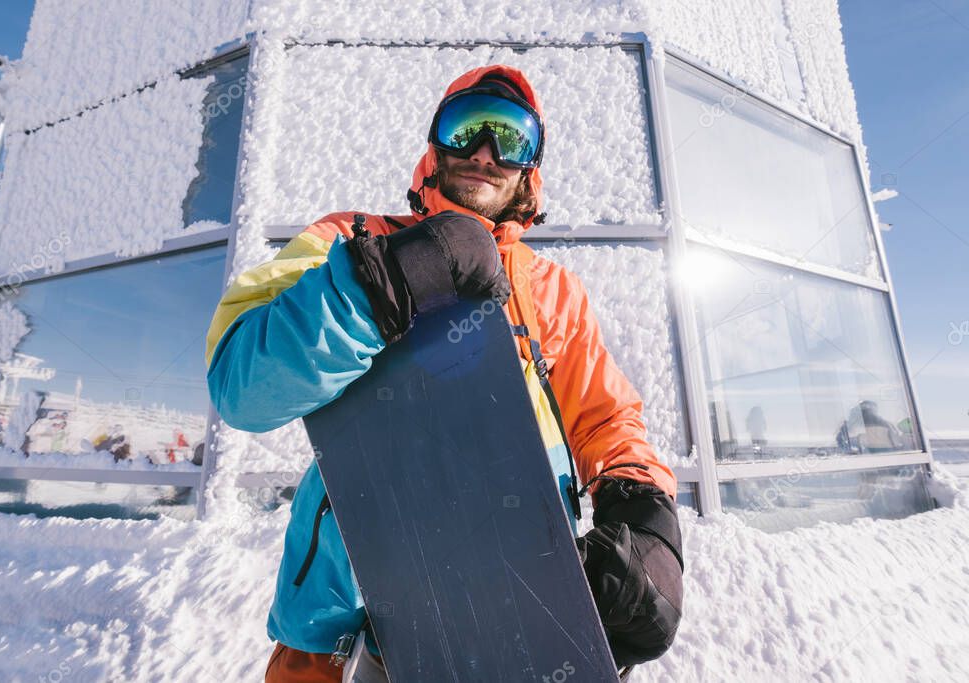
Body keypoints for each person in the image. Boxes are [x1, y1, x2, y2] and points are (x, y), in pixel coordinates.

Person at [205, 65, 684, 682]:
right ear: (434, 145)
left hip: (522, 602)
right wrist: (381, 284)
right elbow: (242, 385)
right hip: (353, 615)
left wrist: (648, 520)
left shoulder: (552, 291)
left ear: (529, 168)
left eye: (510, 138)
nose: (485, 154)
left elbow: (607, 420)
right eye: (467, 129)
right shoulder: (350, 240)